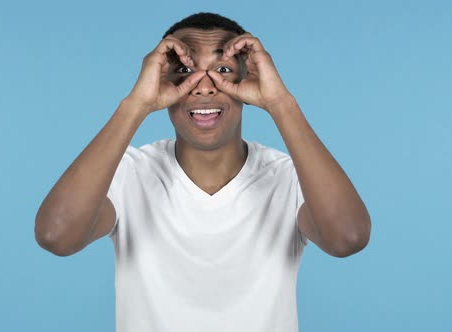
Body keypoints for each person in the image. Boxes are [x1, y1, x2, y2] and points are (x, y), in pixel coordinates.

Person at [35, 12, 371, 332]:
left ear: (248, 79)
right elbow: (57, 235)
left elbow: (348, 238)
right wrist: (135, 105)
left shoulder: (288, 177)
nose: (204, 87)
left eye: (223, 69)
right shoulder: (128, 174)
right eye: (184, 70)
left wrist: (280, 103)